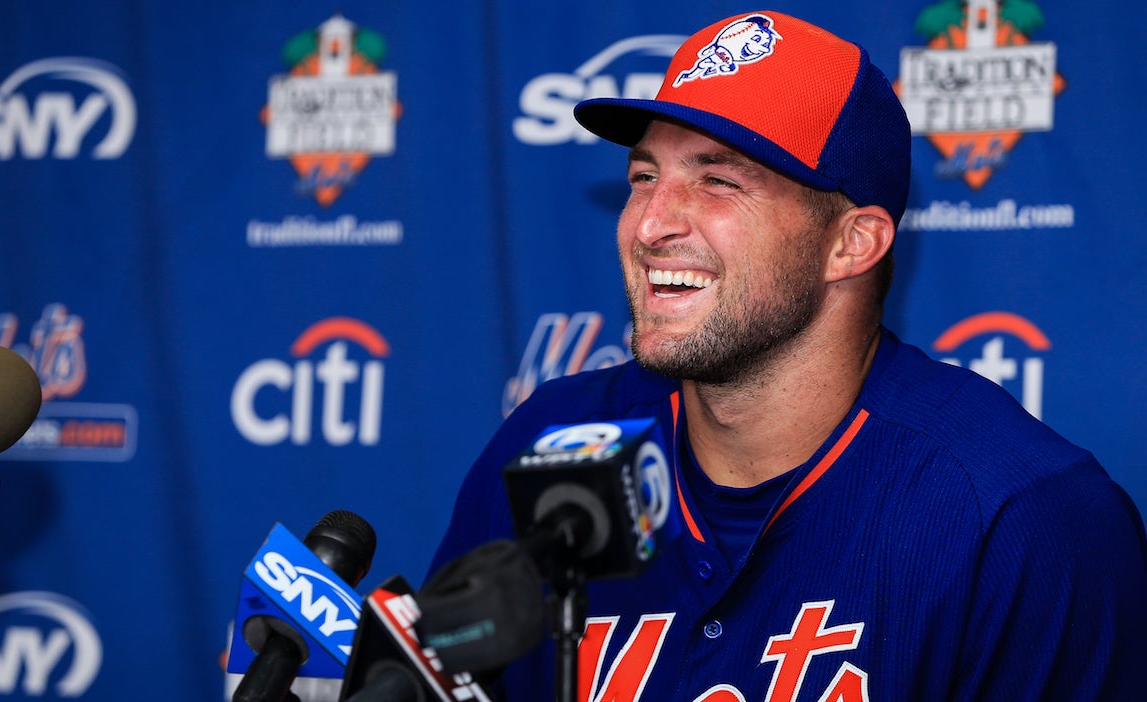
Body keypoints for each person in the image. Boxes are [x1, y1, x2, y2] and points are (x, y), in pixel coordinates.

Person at [427, 11, 1147, 702]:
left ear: (851, 243)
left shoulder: (1025, 521)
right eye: (644, 177)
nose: (649, 225)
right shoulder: (547, 446)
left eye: (718, 180)